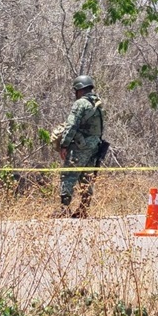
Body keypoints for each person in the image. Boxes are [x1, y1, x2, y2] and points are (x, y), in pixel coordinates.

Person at [56, 75, 105, 218]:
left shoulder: (80, 104)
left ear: (79, 89)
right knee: (87, 177)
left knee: (68, 176)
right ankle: (83, 209)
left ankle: (64, 209)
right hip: (94, 147)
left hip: (80, 146)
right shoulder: (97, 104)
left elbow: (71, 126)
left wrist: (64, 145)